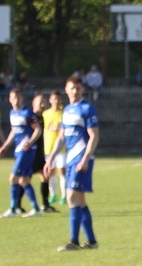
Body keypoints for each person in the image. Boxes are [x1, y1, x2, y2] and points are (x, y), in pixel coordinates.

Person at [44, 76, 100, 251]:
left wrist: (85, 159)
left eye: (78, 88)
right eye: (71, 88)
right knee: (79, 200)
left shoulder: (87, 108)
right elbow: (62, 137)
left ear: (82, 89)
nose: (74, 91)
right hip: (70, 161)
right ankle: (91, 241)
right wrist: (51, 158)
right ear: (66, 90)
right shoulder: (67, 110)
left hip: (81, 160)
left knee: (71, 197)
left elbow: (94, 136)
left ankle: (74, 242)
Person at [0, 88, 43, 218]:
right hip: (19, 150)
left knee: (13, 178)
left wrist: (30, 142)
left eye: (18, 98)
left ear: (22, 98)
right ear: (10, 100)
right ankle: (36, 209)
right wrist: (5, 146)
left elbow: (38, 130)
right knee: (24, 180)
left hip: (26, 151)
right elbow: (14, 131)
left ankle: (12, 209)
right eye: (14, 98)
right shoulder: (13, 113)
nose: (16, 100)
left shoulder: (27, 112)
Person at [31, 94, 55, 213]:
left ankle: (45, 205)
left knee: (46, 176)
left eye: (44, 102)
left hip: (40, 153)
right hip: (31, 153)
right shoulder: (31, 117)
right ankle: (17, 205)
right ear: (33, 104)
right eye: (40, 102)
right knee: (25, 179)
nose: (43, 104)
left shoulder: (42, 117)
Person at [42, 89, 67, 207]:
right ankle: (53, 194)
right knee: (50, 172)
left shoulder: (64, 113)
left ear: (60, 100)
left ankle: (64, 196)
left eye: (58, 99)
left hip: (61, 148)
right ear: (50, 100)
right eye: (54, 99)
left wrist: (58, 129)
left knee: (62, 171)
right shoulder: (45, 114)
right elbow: (44, 129)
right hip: (49, 147)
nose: (56, 101)